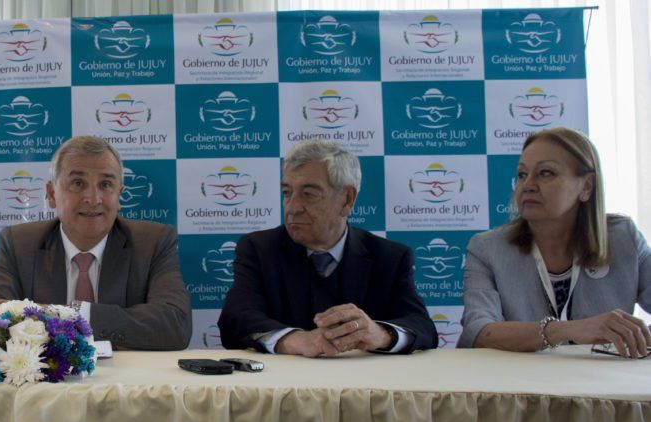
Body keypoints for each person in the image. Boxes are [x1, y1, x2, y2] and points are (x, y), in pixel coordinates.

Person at [218, 140, 436, 356]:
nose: (292, 208)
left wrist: (380, 334)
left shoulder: (390, 257)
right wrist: (297, 341)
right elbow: (235, 319)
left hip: (364, 377)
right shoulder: (259, 249)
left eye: (308, 194)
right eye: (287, 192)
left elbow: (423, 328)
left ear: (347, 200)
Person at [0, 136, 192, 350]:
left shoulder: (153, 242)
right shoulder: (19, 244)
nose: (93, 199)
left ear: (119, 195)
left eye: (105, 184)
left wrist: (64, 314)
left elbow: (176, 325)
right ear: (51, 194)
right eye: (78, 184)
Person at [459, 127, 651, 358]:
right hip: (520, 379)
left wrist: (639, 335)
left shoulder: (624, 237)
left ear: (586, 186)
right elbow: (479, 331)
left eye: (546, 173)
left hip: (604, 378)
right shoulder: (488, 248)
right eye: (522, 174)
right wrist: (568, 330)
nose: (528, 185)